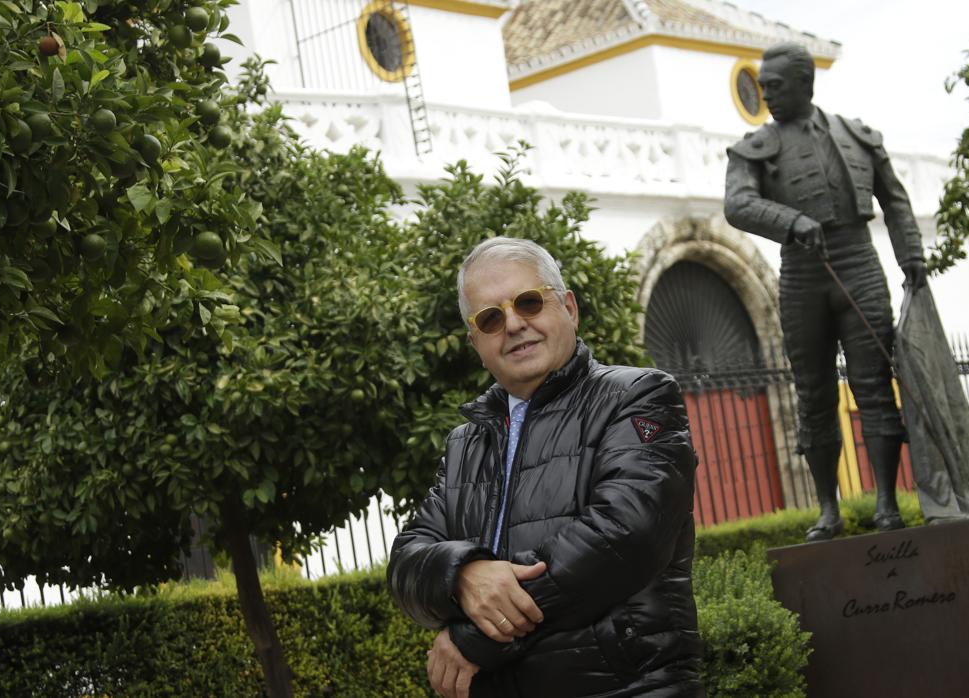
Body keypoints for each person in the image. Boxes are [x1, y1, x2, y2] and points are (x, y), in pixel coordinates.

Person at [387, 237, 704, 698]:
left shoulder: (638, 397)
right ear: (476, 342)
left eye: (529, 302)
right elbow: (406, 562)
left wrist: (475, 638)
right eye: (491, 318)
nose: (514, 324)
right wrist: (463, 574)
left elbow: (624, 536)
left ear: (569, 309)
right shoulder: (465, 444)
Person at [724, 42, 926, 542]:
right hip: (802, 273)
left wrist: (913, 259)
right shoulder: (757, 146)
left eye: (775, 84)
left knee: (874, 386)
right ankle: (828, 510)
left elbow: (895, 202)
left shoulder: (857, 136)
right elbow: (737, 204)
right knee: (811, 394)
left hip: (859, 261)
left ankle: (885, 503)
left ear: (804, 84)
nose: (765, 92)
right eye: (763, 85)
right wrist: (791, 221)